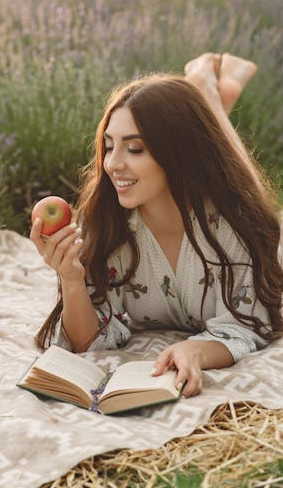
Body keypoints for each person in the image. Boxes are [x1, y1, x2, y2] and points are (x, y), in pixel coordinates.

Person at [30, 53, 282, 398]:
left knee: (248, 190)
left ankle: (210, 95)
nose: (113, 164)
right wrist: (71, 278)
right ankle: (209, 96)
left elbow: (247, 324)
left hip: (233, 209)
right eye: (108, 146)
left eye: (134, 149)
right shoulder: (106, 222)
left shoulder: (233, 224)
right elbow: (91, 338)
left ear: (176, 153)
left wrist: (196, 350)